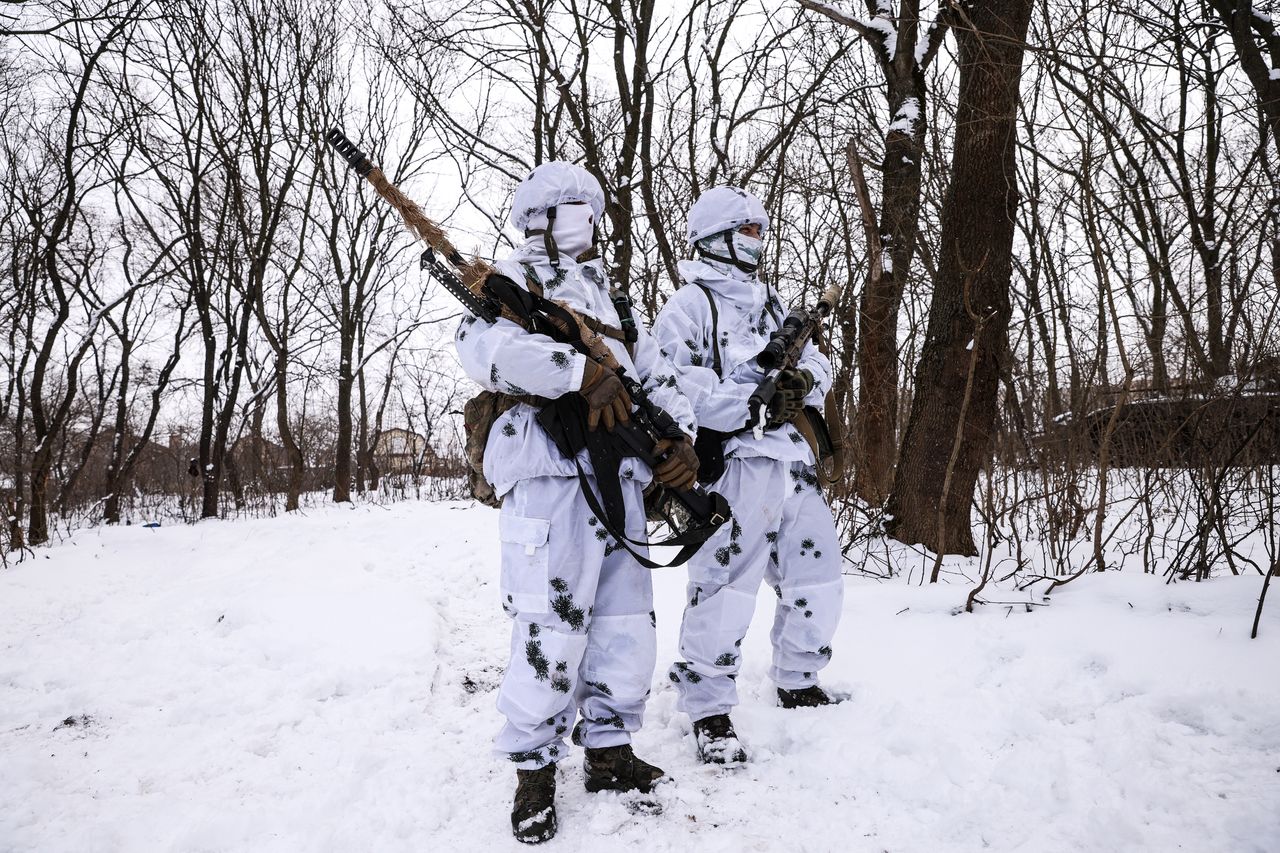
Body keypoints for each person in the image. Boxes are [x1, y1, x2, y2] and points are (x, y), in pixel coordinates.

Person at [453, 162, 700, 844]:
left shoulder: (613, 302)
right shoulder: (507, 286)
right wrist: (576, 371)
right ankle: (533, 764)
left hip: (619, 475)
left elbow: (656, 375)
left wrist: (681, 440)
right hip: (546, 469)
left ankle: (610, 747)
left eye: (592, 209)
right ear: (544, 217)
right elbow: (487, 353)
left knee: (625, 621)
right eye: (577, 209)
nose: (590, 221)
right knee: (552, 622)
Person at [652, 186, 845, 766]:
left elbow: (816, 361)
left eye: (760, 232)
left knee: (818, 575)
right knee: (727, 585)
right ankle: (708, 706)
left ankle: (799, 676)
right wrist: (750, 402)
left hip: (790, 460)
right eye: (749, 231)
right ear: (717, 236)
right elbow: (675, 391)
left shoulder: (768, 304)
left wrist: (800, 384)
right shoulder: (687, 307)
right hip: (734, 465)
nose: (758, 243)